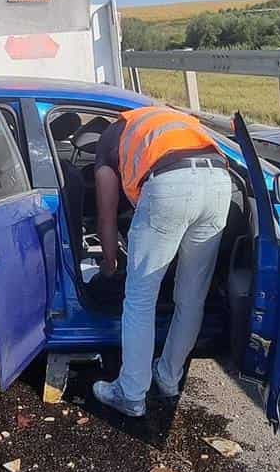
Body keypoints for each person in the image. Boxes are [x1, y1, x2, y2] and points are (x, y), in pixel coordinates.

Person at [91, 103, 232, 418]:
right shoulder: (162, 119)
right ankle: (169, 378)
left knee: (140, 299)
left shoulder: (105, 144)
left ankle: (130, 393)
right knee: (192, 298)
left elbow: (106, 215)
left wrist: (110, 264)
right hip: (220, 183)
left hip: (170, 185)